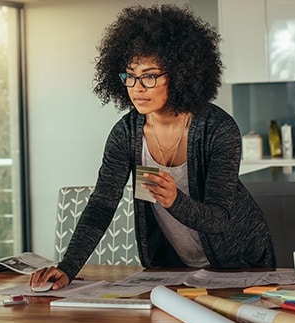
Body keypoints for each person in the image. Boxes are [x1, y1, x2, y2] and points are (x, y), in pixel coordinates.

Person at [30, 4, 276, 291]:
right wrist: (67, 268)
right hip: (176, 267)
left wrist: (174, 201)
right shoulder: (127, 134)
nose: (137, 87)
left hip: (240, 262)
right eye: (130, 76)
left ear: (181, 74)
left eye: (150, 76)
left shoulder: (218, 129)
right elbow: (102, 204)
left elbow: (219, 219)